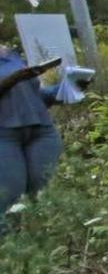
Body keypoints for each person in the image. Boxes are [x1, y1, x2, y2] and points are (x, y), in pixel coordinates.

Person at [0, 47, 65, 230]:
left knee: (41, 193)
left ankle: (41, 245)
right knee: (9, 198)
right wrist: (13, 79)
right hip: (4, 135)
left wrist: (62, 90)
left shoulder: (10, 54)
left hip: (41, 131)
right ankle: (10, 251)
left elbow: (32, 95)